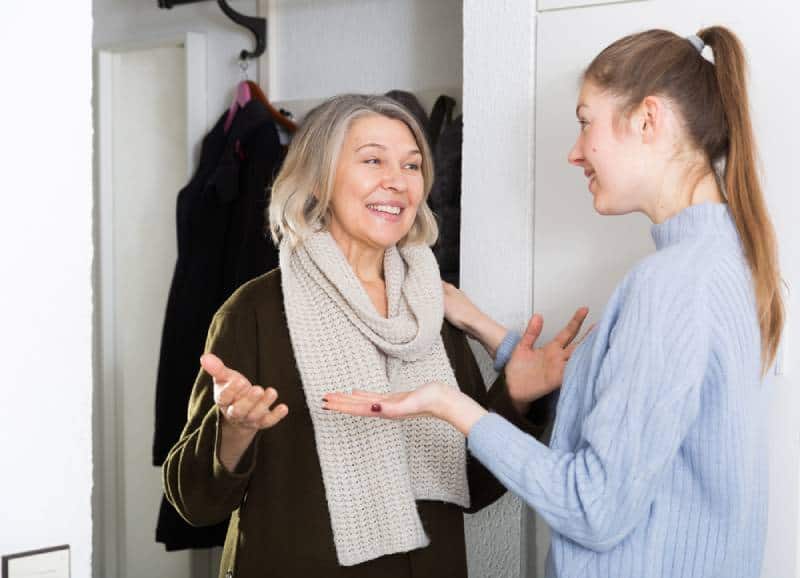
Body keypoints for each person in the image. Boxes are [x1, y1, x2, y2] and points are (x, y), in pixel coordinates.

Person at [325, 27, 784, 578]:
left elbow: (593, 508)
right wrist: (480, 323)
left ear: (648, 120)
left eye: (586, 122)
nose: (574, 152)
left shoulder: (669, 286)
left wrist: (455, 407)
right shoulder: (725, 261)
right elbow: (637, 413)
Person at [162, 93, 587, 578]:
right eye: (372, 160)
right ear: (319, 178)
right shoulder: (255, 313)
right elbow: (195, 504)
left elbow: (471, 487)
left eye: (411, 165)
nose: (397, 182)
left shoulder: (434, 311)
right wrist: (233, 432)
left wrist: (514, 398)